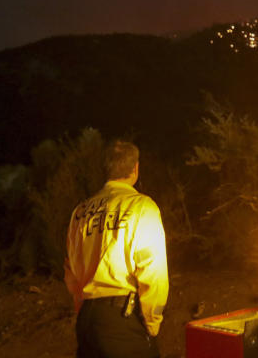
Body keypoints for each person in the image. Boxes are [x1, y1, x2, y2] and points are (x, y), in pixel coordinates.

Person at [64, 140, 169, 358]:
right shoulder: (141, 207)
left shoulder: (80, 212)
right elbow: (153, 270)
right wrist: (152, 322)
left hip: (87, 321)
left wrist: (83, 308)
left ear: (106, 168)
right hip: (122, 319)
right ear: (136, 168)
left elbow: (70, 271)